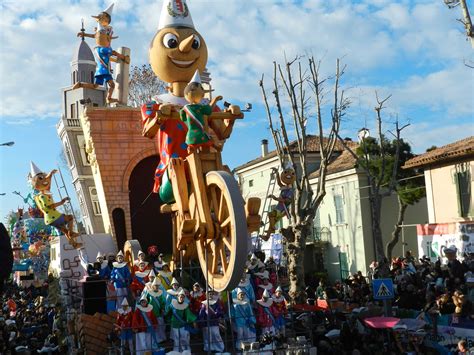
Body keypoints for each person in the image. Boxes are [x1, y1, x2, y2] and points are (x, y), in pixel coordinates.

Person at [168, 288, 197, 352]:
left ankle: (185, 350)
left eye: (183, 297)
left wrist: (193, 320)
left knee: (184, 338)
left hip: (182, 324)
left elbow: (188, 314)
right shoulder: (172, 304)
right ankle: (176, 351)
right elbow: (168, 312)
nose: (181, 298)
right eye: (180, 297)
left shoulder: (185, 306)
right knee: (176, 339)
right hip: (175, 324)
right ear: (178, 297)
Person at [146, 278, 166, 344]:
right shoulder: (149, 293)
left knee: (161, 326)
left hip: (159, 313)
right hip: (152, 313)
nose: (157, 287)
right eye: (155, 286)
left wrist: (163, 309)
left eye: (158, 286)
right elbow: (145, 301)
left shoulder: (160, 294)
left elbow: (163, 302)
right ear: (152, 286)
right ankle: (156, 339)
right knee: (154, 326)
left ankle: (163, 338)